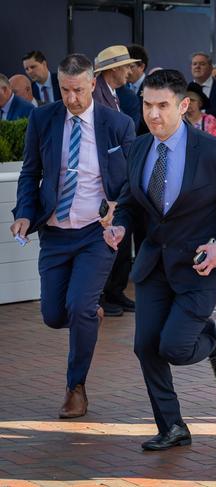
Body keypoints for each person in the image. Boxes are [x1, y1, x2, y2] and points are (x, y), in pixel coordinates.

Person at [103, 69, 216, 451]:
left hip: (200, 266)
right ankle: (172, 426)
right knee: (146, 346)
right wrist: (120, 227)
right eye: (147, 104)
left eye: (162, 106)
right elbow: (129, 203)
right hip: (153, 264)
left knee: (174, 348)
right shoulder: (139, 148)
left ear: (184, 105)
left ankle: (215, 341)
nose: (153, 114)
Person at [10, 53, 135, 418]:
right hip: (54, 232)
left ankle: (75, 387)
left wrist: (118, 208)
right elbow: (29, 173)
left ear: (93, 84)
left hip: (96, 234)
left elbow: (130, 182)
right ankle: (85, 316)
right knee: (52, 314)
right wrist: (23, 214)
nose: (72, 98)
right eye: (65, 90)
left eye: (78, 90)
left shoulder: (118, 124)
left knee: (79, 305)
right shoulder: (42, 118)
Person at [93, 45, 141, 317]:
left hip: (119, 181)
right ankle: (102, 295)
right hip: (107, 184)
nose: (129, 71)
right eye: (125, 66)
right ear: (112, 69)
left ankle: (114, 292)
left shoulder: (114, 95)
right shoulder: (99, 97)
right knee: (109, 239)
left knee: (122, 239)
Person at [93, 45, 138, 112]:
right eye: (127, 66)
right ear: (114, 67)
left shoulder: (110, 90)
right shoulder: (95, 93)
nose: (130, 72)